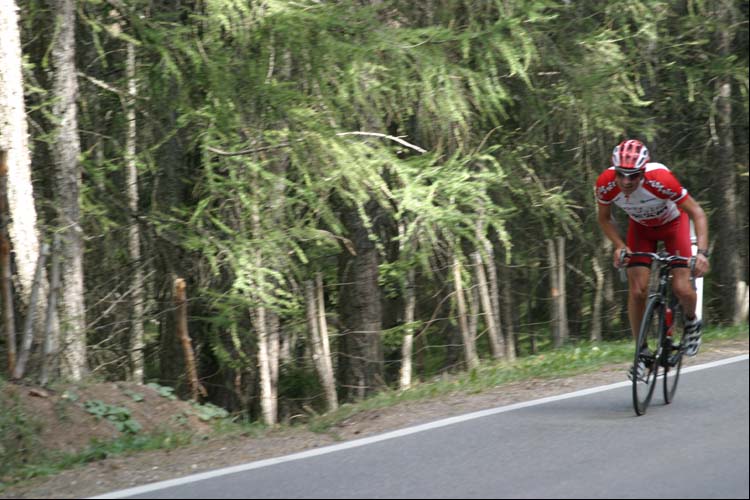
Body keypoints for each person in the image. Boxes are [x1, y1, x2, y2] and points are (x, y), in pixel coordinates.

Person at [595, 139, 710, 379]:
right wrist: (619, 246)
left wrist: (701, 252)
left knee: (682, 288)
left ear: (643, 172)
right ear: (614, 171)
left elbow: (697, 212)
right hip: (641, 230)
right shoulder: (605, 184)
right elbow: (604, 219)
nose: (626, 182)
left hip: (674, 226)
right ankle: (641, 352)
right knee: (637, 291)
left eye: (633, 176)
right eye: (621, 175)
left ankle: (691, 322)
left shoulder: (660, 180)